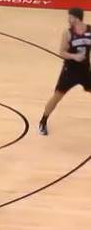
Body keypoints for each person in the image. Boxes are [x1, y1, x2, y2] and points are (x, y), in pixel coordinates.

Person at [39, 8, 91, 136]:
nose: (68, 19)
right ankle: (43, 121)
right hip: (70, 71)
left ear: (76, 18)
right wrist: (74, 56)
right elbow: (62, 52)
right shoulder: (67, 33)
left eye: (70, 17)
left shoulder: (89, 30)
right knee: (57, 97)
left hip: (85, 70)